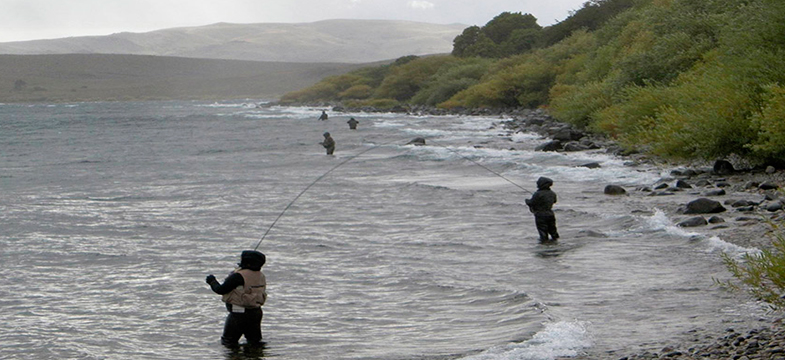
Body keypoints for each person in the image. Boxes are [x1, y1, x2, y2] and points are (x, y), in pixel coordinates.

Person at [206, 250, 268, 347]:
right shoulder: (261, 275)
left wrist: (212, 281)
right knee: (254, 342)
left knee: (229, 342)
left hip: (238, 313)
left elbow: (221, 290)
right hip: (256, 312)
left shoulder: (238, 276)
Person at [525, 177, 560, 243]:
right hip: (550, 214)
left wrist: (527, 201)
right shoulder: (552, 193)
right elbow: (554, 201)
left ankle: (544, 245)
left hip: (540, 215)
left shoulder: (537, 194)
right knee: (553, 230)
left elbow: (532, 203)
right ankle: (556, 242)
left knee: (543, 231)